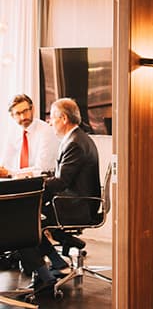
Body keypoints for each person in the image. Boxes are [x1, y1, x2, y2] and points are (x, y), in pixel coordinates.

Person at [19, 98, 101, 292]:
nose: (50, 122)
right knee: (29, 219)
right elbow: (63, 177)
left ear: (63, 118)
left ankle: (49, 272)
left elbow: (61, 182)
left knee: (25, 222)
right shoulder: (77, 138)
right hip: (77, 201)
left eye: (52, 118)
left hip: (76, 206)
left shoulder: (75, 143)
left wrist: (34, 185)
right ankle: (56, 263)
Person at [0, 94, 59, 178]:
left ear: (32, 109)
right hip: (16, 182)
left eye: (25, 111)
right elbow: (5, 164)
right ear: (12, 116)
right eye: (18, 113)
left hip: (41, 183)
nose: (23, 117)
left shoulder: (46, 131)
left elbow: (42, 169)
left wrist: (10, 173)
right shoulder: (12, 133)